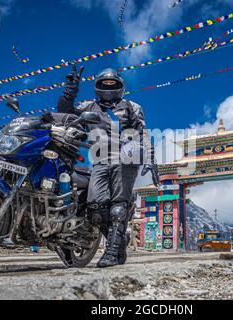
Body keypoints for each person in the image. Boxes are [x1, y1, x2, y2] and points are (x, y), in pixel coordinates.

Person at [57, 65, 159, 268]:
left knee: (118, 207)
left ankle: (112, 252)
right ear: (98, 87)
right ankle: (120, 243)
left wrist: (151, 159)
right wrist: (70, 90)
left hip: (125, 157)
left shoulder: (132, 107)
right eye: (105, 84)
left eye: (113, 84)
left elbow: (142, 133)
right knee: (95, 208)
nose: (109, 87)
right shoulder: (88, 107)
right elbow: (65, 113)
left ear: (121, 86)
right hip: (99, 161)